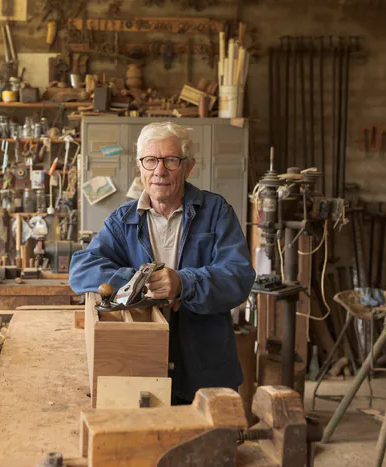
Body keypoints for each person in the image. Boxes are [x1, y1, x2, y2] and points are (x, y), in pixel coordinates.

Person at [69, 122, 256, 405]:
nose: (160, 171)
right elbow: (82, 269)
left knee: (212, 446)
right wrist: (140, 284)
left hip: (207, 370)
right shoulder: (123, 221)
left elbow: (238, 277)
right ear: (140, 167)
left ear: (188, 166)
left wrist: (183, 283)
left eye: (170, 160)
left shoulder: (216, 212)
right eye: (151, 160)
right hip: (140, 367)